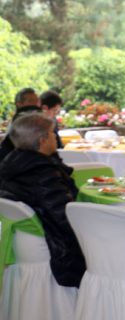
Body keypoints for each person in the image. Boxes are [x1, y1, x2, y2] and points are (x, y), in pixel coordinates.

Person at [0, 113, 86, 287]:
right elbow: (64, 218)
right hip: (54, 247)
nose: (56, 136)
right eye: (53, 133)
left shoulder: (14, 164)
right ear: (42, 140)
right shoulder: (42, 173)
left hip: (24, 243)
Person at [0, 87, 43, 160]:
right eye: (31, 101)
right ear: (19, 104)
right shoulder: (21, 123)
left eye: (37, 101)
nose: (35, 104)